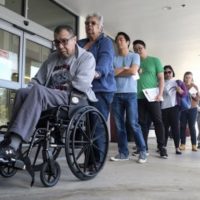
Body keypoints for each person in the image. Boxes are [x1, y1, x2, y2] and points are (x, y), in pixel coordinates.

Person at [0, 25, 97, 163]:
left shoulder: (86, 58)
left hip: (74, 98)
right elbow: (37, 80)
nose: (61, 46)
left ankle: (13, 145)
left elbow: (81, 85)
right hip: (50, 97)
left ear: (74, 39)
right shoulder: (52, 58)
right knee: (22, 92)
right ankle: (9, 141)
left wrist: (46, 90)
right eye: (57, 42)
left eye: (64, 41)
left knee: (39, 91)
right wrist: (31, 90)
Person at [78, 13, 116, 161]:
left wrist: (97, 72)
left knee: (96, 124)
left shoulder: (105, 42)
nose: (89, 26)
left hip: (101, 89)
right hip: (82, 88)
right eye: (87, 23)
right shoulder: (81, 43)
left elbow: (105, 62)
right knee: (87, 126)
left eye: (93, 23)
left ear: (100, 27)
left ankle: (96, 161)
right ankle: (89, 160)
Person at [110, 32, 147, 163]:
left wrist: (121, 70)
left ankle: (143, 151)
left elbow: (133, 71)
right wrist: (124, 69)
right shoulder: (114, 58)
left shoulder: (135, 55)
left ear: (127, 42)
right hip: (116, 94)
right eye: (117, 40)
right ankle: (123, 153)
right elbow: (111, 73)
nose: (118, 42)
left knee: (133, 123)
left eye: (121, 39)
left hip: (130, 94)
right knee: (119, 126)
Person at [133, 40, 168, 158]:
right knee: (142, 123)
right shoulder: (135, 63)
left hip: (153, 96)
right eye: (135, 49)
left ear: (145, 48)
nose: (138, 51)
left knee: (158, 121)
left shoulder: (155, 60)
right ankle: (143, 148)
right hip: (138, 97)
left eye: (140, 48)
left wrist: (160, 94)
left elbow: (161, 79)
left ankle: (162, 147)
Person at [161, 65, 187, 154]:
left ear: (172, 72)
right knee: (164, 128)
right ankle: (163, 146)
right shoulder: (161, 82)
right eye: (165, 72)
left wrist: (180, 91)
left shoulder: (178, 82)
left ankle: (177, 147)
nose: (167, 74)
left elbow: (185, 94)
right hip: (163, 107)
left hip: (174, 107)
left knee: (175, 128)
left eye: (169, 72)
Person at [179, 71, 200, 151]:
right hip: (183, 109)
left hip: (192, 109)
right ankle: (182, 144)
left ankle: (194, 145)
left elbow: (198, 99)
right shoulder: (181, 85)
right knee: (182, 126)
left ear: (192, 78)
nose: (188, 79)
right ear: (184, 78)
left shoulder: (194, 86)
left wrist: (194, 95)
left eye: (190, 77)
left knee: (192, 126)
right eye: (186, 77)